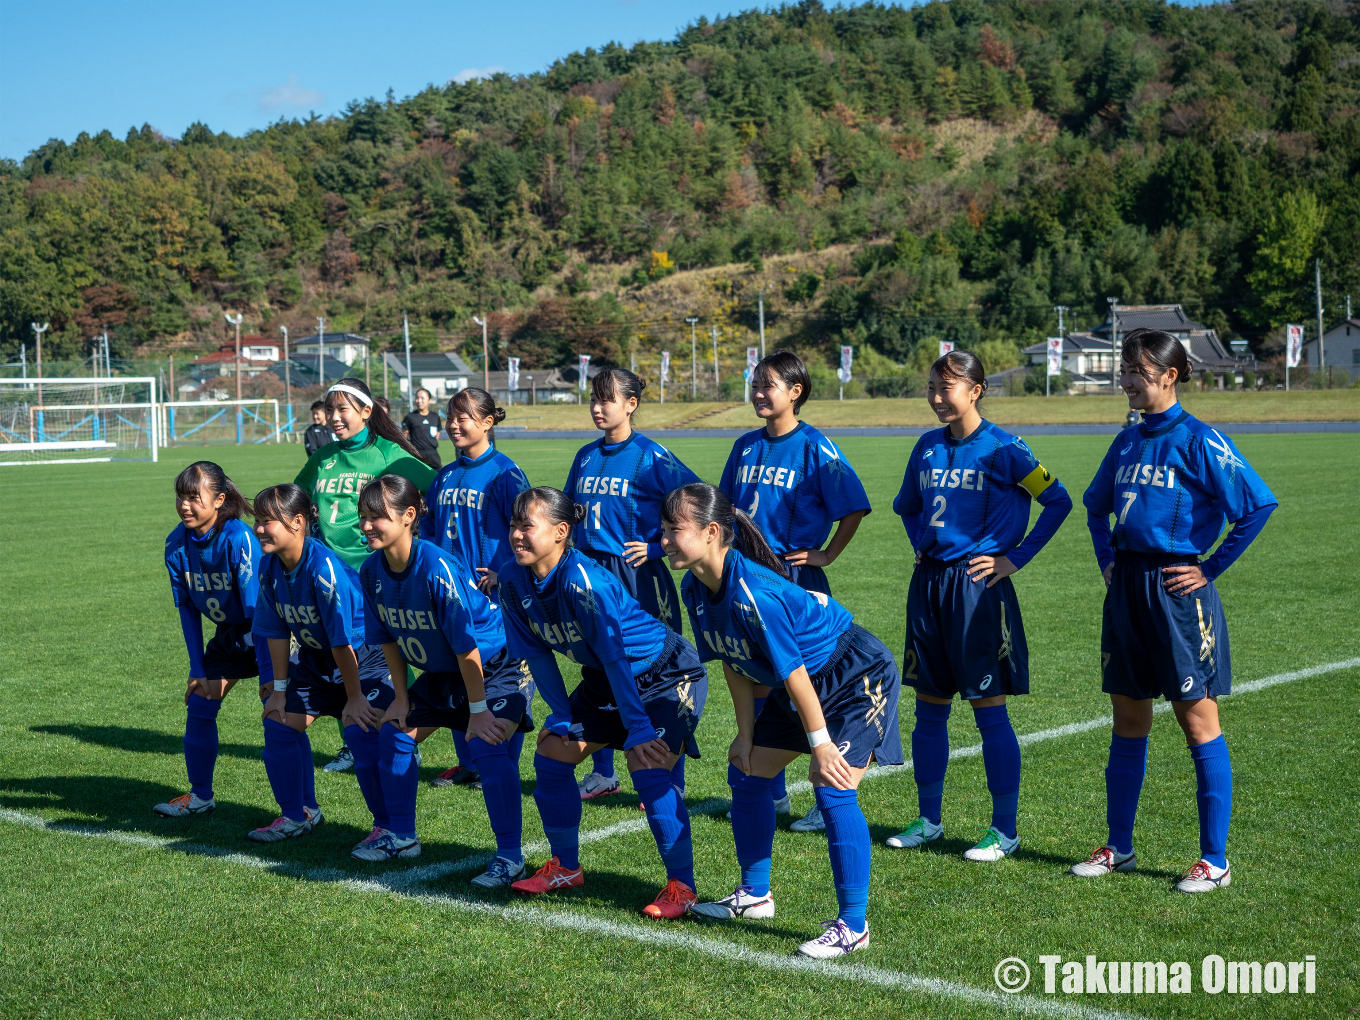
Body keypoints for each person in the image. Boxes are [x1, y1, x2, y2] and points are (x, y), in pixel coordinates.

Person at [1071, 328, 1276, 893]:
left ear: (1169, 374)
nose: (1126, 380)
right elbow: (1095, 508)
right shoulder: (1127, 440)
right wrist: (1107, 559)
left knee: (1197, 720)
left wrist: (1208, 568)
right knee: (1128, 721)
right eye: (1124, 370)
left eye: (1136, 371)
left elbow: (1257, 506)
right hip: (1128, 590)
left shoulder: (1200, 438)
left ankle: (1214, 859)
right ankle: (1120, 846)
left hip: (1178, 593)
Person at [662, 482, 901, 958]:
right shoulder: (695, 585)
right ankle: (754, 896)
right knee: (746, 772)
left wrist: (821, 744)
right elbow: (734, 662)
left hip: (854, 675)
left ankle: (854, 925)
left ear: (711, 532)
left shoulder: (753, 592)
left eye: (674, 529)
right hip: (803, 684)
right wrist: (745, 735)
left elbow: (793, 673)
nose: (663, 538)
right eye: (663, 529)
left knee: (832, 786)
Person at [886, 351, 1072, 861]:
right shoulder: (926, 448)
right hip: (928, 587)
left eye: (947, 388)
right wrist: (918, 540)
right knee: (929, 709)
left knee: (989, 711)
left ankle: (1004, 830)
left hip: (978, 589)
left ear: (976, 390)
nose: (937, 397)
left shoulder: (1006, 449)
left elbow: (1058, 501)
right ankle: (929, 819)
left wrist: (1015, 559)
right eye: (931, 387)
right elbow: (907, 508)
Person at [498, 487, 708, 920]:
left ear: (560, 532)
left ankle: (682, 887)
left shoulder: (583, 581)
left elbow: (615, 657)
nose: (517, 534)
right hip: (605, 679)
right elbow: (537, 654)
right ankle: (565, 868)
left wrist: (638, 727)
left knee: (646, 765)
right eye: (514, 525)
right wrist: (559, 714)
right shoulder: (512, 578)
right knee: (552, 755)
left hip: (665, 674)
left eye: (527, 526)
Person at [718, 349, 872, 833]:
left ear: (795, 392)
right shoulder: (744, 445)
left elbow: (855, 505)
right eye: (756, 385)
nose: (760, 394)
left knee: (808, 681)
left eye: (769, 386)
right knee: (759, 678)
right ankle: (775, 793)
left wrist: (826, 553)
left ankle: (829, 794)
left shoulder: (814, 445)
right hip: (746, 579)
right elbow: (724, 510)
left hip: (792, 581)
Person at [358, 474, 536, 879]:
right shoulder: (371, 571)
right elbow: (386, 639)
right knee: (395, 733)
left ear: (409, 516)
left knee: (486, 744)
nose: (367, 525)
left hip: (495, 665)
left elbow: (466, 646)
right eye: (363, 516)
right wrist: (401, 699)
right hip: (445, 670)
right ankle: (401, 835)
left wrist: (477, 712)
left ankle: (510, 856)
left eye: (377, 516)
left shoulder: (435, 566)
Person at [565, 368, 702, 803]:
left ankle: (667, 773)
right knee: (598, 667)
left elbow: (698, 501)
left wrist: (659, 549)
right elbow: (569, 513)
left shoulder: (652, 455)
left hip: (637, 575)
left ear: (631, 404)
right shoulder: (585, 455)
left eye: (607, 399)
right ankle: (603, 772)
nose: (598, 407)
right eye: (593, 398)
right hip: (592, 575)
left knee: (654, 672)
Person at [296, 377, 436, 772]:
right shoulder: (321, 459)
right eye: (330, 409)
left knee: (387, 653)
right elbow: (296, 501)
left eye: (343, 410)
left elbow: (433, 488)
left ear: (366, 412)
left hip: (377, 574)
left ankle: (401, 727)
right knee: (345, 655)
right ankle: (352, 741)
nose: (334, 417)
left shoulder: (390, 455)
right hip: (330, 577)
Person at [250, 484, 397, 853]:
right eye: (257, 521)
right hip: (318, 661)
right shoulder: (269, 566)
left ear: (298, 522)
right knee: (278, 723)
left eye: (268, 521)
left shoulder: (323, 569)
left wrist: (354, 698)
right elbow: (275, 631)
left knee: (361, 734)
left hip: (363, 661)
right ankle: (298, 815)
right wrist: (279, 690)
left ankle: (388, 828)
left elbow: (343, 643)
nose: (260, 529)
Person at [422, 386, 531, 790]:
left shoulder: (505, 472)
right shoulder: (446, 475)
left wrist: (505, 571)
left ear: (487, 422)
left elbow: (527, 527)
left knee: (501, 679)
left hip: (495, 599)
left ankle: (502, 763)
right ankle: (470, 761)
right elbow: (430, 531)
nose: (453, 425)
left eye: (462, 417)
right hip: (454, 595)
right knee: (459, 674)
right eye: (450, 417)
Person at [154, 462, 277, 819]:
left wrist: (270, 675)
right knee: (201, 702)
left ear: (219, 500)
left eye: (194, 497)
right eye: (181, 497)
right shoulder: (176, 543)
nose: (185, 506)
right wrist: (197, 668)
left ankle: (304, 808)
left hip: (274, 632)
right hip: (232, 635)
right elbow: (188, 610)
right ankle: (200, 796)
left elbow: (259, 614)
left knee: (282, 715)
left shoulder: (238, 537)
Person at [402, 388, 444, 470]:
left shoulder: (435, 417)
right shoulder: (410, 417)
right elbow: (404, 436)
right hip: (417, 454)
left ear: (429, 400)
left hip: (433, 454)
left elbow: (437, 433)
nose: (419, 401)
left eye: (422, 398)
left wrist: (430, 444)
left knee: (438, 477)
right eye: (417, 398)